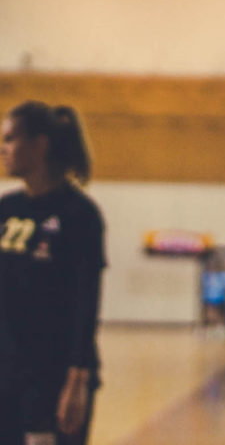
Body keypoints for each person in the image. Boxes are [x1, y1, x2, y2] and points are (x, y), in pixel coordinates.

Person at [0, 101, 106, 445]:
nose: (3, 149)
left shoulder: (79, 215)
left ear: (39, 145)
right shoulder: (6, 210)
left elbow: (86, 304)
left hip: (53, 379)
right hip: (8, 376)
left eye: (10, 139)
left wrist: (77, 381)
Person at [201, 254, 225, 340]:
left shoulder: (224, 275)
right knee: (210, 314)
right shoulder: (207, 276)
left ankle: (220, 330)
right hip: (209, 298)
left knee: (220, 315)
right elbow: (203, 287)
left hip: (221, 298)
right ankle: (210, 329)